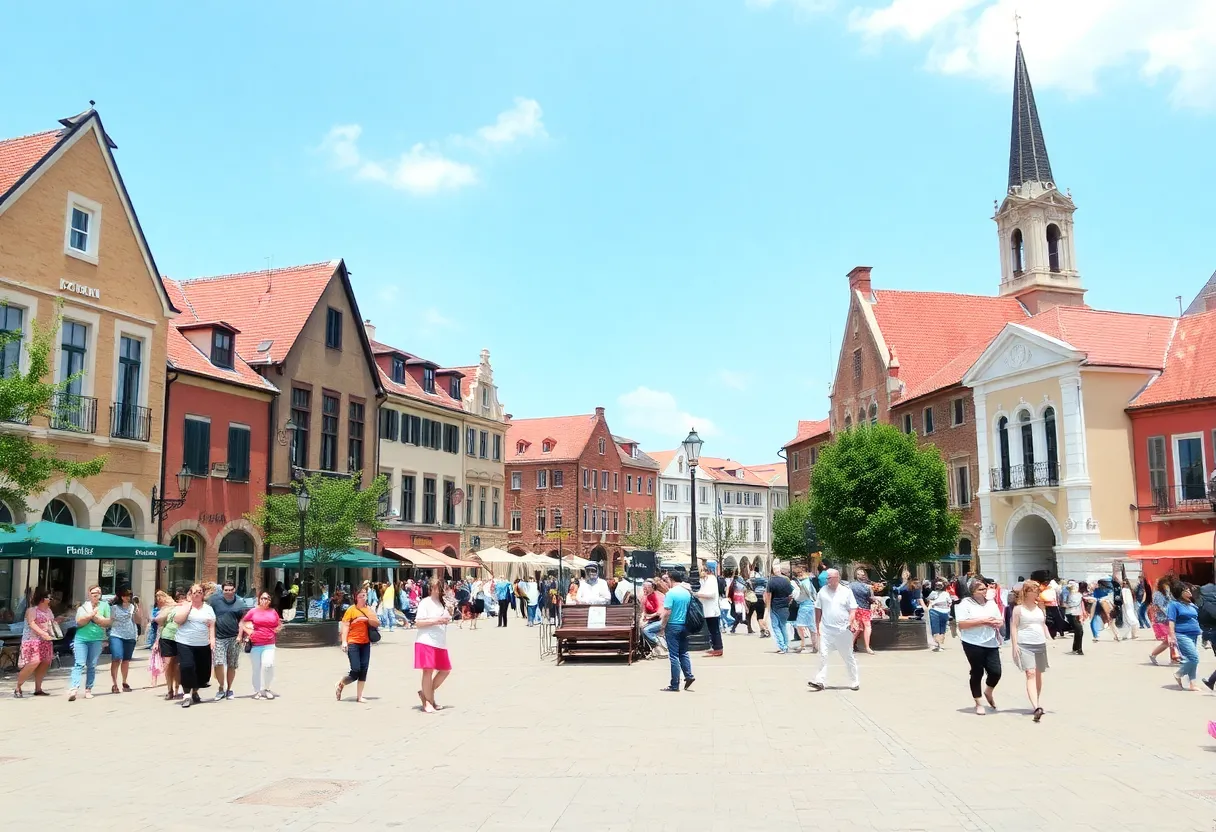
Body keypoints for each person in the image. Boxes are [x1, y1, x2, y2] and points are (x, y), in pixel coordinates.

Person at [956, 578, 1003, 715]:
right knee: (977, 671)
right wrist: (982, 621)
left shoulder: (991, 603)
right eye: (981, 589)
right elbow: (962, 624)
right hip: (972, 642)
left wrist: (997, 623)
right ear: (973, 592)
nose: (984, 592)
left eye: (985, 589)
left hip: (990, 641)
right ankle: (978, 702)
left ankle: (988, 691)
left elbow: (999, 620)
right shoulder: (965, 604)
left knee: (996, 672)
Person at [807, 568, 859, 691]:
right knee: (823, 655)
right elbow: (818, 609)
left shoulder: (846, 591)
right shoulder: (822, 592)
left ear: (837, 578)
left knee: (848, 656)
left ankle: (854, 680)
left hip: (843, 630)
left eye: (829, 578)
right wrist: (817, 625)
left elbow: (853, 608)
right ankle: (820, 681)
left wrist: (851, 621)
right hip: (827, 630)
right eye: (826, 578)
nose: (827, 580)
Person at [1010, 580, 1051, 722]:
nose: (1037, 593)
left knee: (1039, 674)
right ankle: (1035, 707)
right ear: (1026, 592)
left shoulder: (1040, 607)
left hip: (1040, 643)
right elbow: (1014, 627)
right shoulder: (1018, 609)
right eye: (1035, 591)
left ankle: (1037, 702)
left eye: (1038, 591)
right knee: (1030, 673)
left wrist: (1050, 638)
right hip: (1024, 644)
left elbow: (1043, 624)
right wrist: (1014, 645)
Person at [173, 584, 216, 708]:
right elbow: (178, 620)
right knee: (187, 666)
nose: (197, 594)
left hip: (202, 643)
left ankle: (195, 691)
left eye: (199, 592)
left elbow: (212, 624)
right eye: (194, 592)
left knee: (200, 670)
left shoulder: (208, 609)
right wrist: (189, 606)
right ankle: (186, 695)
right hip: (185, 642)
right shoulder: (184, 606)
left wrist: (212, 639)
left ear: (203, 594)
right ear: (190, 594)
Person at [415, 578, 453, 713]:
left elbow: (446, 618)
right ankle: (428, 702)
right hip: (426, 640)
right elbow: (418, 622)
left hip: (440, 641)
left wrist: (448, 615)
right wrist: (437, 620)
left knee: (445, 670)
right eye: (437, 587)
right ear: (431, 588)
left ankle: (426, 694)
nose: (439, 589)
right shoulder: (425, 602)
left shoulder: (442, 603)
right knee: (428, 671)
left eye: (441, 587)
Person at [68, 585, 111, 702]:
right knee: (79, 663)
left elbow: (108, 622)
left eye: (98, 593)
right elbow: (79, 622)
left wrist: (97, 619)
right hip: (81, 639)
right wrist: (92, 615)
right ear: (89, 594)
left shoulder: (105, 605)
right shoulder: (83, 607)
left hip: (96, 639)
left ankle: (88, 689)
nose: (96, 595)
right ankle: (74, 689)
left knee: (92, 665)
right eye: (93, 593)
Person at [239, 590, 284, 700]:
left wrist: (277, 629)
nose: (264, 600)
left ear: (270, 601)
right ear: (259, 599)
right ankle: (257, 691)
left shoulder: (273, 611)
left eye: (267, 598)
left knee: (268, 665)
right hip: (256, 644)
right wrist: (248, 632)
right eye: (263, 598)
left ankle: (267, 688)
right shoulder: (253, 611)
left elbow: (278, 623)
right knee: (256, 668)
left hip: (269, 643)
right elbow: (242, 622)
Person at [337, 587, 379, 703]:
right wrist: (344, 641)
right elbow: (345, 626)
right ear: (356, 597)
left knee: (364, 670)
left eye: (365, 595)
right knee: (356, 669)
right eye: (360, 595)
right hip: (353, 642)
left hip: (365, 643)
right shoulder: (351, 610)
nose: (363, 598)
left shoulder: (369, 609)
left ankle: (359, 696)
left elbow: (376, 623)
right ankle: (342, 683)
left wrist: (368, 619)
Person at [657, 566, 694, 692]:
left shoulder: (671, 593)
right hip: (685, 625)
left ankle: (674, 684)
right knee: (683, 652)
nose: (665, 581)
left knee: (673, 656)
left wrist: (662, 627)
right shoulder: (687, 592)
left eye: (666, 579)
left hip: (673, 625)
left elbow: (667, 612)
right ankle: (689, 675)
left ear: (671, 579)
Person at [209, 580, 247, 701]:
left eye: (231, 590)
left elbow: (242, 620)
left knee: (232, 665)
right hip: (219, 637)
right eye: (226, 590)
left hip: (233, 637)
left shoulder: (240, 603)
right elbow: (210, 619)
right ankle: (221, 687)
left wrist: (240, 635)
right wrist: (212, 637)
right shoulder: (215, 601)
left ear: (234, 590)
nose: (229, 592)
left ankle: (229, 689)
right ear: (223, 590)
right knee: (218, 663)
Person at [13, 588, 54, 697]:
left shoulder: (49, 611)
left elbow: (51, 624)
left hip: (46, 641)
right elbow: (32, 623)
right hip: (33, 641)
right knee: (34, 662)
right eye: (48, 597)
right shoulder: (32, 610)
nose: (50, 599)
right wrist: (43, 633)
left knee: (45, 663)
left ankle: (38, 688)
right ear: (42, 599)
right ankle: (18, 687)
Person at [1167, 583, 1202, 691]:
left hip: (1194, 634)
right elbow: (1171, 621)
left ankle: (1192, 683)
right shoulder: (1174, 604)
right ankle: (1179, 674)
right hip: (1182, 634)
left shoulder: (1191, 604)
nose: (1189, 592)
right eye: (1186, 590)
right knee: (1194, 657)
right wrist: (1172, 636)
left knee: (1191, 659)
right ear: (1180, 593)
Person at [107, 588, 139, 694]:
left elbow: (138, 621)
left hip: (130, 635)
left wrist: (138, 608)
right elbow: (110, 621)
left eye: (129, 595)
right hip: (116, 634)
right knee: (117, 657)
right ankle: (114, 683)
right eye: (125, 595)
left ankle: (124, 682)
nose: (128, 598)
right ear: (121, 596)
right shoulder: (114, 608)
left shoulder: (132, 607)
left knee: (126, 660)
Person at [152, 590, 182, 700]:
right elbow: (160, 626)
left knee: (178, 665)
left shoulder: (180, 606)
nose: (159, 601)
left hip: (180, 638)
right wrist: (156, 641)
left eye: (160, 598)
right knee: (168, 664)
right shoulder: (163, 610)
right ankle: (170, 689)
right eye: (157, 599)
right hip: (166, 638)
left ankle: (178, 688)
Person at [765, 564, 795, 654]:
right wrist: (788, 602)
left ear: (773, 571)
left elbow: (768, 595)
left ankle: (782, 646)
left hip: (775, 606)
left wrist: (768, 607)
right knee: (783, 626)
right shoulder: (786, 581)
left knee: (776, 627)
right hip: (784, 606)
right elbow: (791, 594)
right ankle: (785, 645)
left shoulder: (770, 582)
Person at [696, 561, 723, 657]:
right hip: (707, 610)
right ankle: (715, 647)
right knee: (712, 630)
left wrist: (698, 594)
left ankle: (718, 648)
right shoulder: (704, 580)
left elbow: (711, 594)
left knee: (714, 630)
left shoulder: (711, 579)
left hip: (712, 610)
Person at [1149, 577, 1177, 665]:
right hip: (1162, 620)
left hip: (1168, 619)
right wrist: (1170, 614)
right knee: (1168, 640)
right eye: (1166, 585)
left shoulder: (1167, 594)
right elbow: (1161, 607)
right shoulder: (1158, 594)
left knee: (1172, 640)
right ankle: (1153, 654)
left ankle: (1174, 658)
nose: (1167, 587)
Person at [849, 568, 875, 654]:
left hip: (855, 609)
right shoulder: (867, 587)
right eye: (861, 573)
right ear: (857, 575)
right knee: (867, 627)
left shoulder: (850, 585)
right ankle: (867, 647)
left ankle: (850, 646)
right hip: (864, 609)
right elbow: (871, 599)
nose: (863, 574)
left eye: (863, 573)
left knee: (858, 628)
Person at [794, 565, 819, 654]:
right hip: (812, 605)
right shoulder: (809, 581)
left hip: (805, 606)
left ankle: (803, 645)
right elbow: (814, 593)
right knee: (812, 626)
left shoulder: (803, 583)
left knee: (799, 625)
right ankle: (815, 646)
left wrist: (796, 598)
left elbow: (802, 596)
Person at [640, 580, 666, 656]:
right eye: (644, 587)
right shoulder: (644, 597)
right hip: (651, 620)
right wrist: (642, 618)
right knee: (640, 629)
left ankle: (658, 645)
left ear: (652, 587)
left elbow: (660, 611)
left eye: (647, 587)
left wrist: (649, 616)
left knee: (646, 630)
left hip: (661, 620)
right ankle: (650, 650)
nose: (645, 589)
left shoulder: (659, 596)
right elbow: (643, 610)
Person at [927, 580, 953, 652]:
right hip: (934, 611)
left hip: (944, 611)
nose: (938, 587)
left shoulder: (946, 594)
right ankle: (937, 644)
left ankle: (939, 644)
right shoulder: (933, 593)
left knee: (942, 628)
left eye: (940, 585)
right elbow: (928, 600)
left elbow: (950, 602)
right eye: (937, 585)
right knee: (935, 628)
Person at [1065, 581, 1088, 655]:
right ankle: (1079, 649)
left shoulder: (1072, 595)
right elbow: (1073, 604)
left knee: (1078, 631)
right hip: (1073, 615)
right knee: (1079, 631)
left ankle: (1076, 648)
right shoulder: (1074, 595)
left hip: (1073, 614)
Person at [747, 571, 770, 637]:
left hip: (755, 599)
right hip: (762, 600)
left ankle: (765, 630)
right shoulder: (764, 583)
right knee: (761, 617)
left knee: (759, 618)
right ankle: (763, 631)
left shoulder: (752, 582)